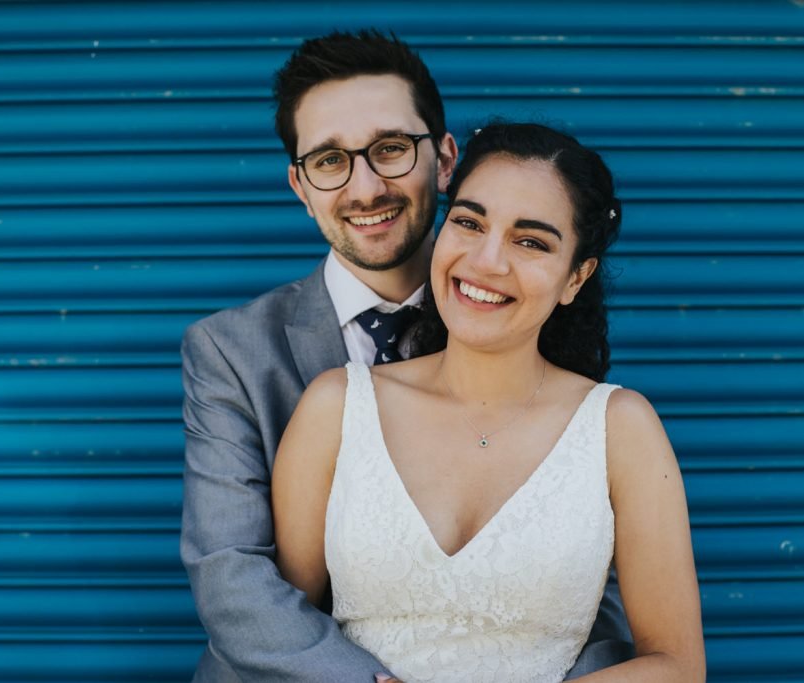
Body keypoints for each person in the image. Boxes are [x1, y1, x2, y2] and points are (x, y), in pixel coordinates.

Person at [180, 31, 633, 682]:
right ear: (300, 185)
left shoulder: (515, 314)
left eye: (390, 149)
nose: (365, 188)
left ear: (445, 160)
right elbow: (232, 575)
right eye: (330, 160)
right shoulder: (230, 349)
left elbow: (579, 566)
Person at [271, 123, 706, 682]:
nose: (486, 261)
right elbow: (280, 630)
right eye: (469, 222)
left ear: (576, 277)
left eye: (530, 242)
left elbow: (677, 666)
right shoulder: (337, 407)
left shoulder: (618, 427)